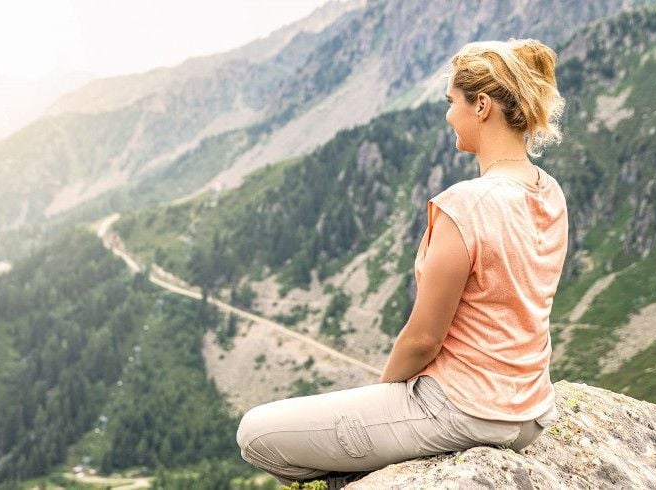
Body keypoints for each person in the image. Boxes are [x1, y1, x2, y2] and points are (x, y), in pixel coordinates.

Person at [235, 37, 568, 488]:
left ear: (481, 105)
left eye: (452, 102)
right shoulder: (549, 191)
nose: (448, 115)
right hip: (531, 413)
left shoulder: (464, 205)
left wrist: (383, 396)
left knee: (255, 434)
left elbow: (424, 339)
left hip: (463, 408)